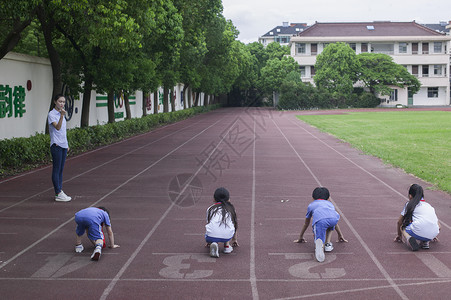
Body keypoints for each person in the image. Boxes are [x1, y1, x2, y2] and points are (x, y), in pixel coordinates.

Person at [294, 187, 347, 262]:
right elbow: (335, 224)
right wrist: (340, 235)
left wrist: (300, 237)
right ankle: (327, 243)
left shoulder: (311, 205)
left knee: (319, 235)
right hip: (334, 218)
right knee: (330, 224)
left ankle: (320, 247)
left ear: (312, 198)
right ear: (328, 198)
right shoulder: (330, 204)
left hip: (320, 220)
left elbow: (306, 223)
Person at [394, 184, 440, 251]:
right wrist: (432, 234)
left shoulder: (409, 204)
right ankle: (426, 242)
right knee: (427, 225)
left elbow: (399, 222)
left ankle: (409, 238)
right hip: (433, 232)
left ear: (410, 196)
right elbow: (439, 225)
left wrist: (399, 235)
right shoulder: (428, 205)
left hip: (419, 230)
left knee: (402, 227)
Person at [48, 94, 71, 202]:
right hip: (56, 145)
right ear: (55, 102)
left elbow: (63, 132)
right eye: (60, 101)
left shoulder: (61, 113)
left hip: (63, 145)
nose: (62, 104)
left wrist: (66, 145)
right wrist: (61, 116)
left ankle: (60, 192)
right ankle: (58, 192)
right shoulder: (52, 114)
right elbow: (57, 128)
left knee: (61, 169)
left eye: (63, 102)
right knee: (56, 169)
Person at [205, 187, 238, 258]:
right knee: (228, 226)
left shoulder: (210, 209)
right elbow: (235, 225)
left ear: (214, 199)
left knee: (213, 226)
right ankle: (227, 246)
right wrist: (234, 239)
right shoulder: (231, 209)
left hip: (211, 236)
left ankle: (214, 243)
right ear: (229, 199)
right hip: (227, 236)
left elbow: (209, 223)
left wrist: (208, 241)